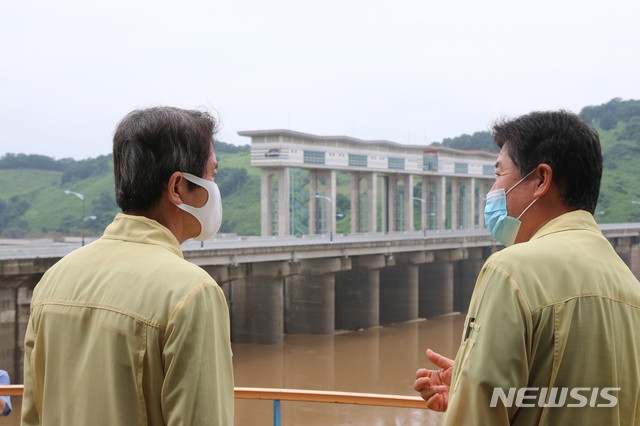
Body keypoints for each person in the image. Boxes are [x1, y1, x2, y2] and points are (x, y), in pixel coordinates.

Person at [414, 110, 640, 425]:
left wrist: (471, 395)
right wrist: (470, 385)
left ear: (541, 180)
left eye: (498, 174)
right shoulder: (629, 286)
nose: (492, 192)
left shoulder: (512, 270)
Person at [22, 107, 233, 425]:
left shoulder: (52, 281)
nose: (216, 187)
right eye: (212, 175)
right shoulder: (191, 293)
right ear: (178, 188)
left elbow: (32, 416)